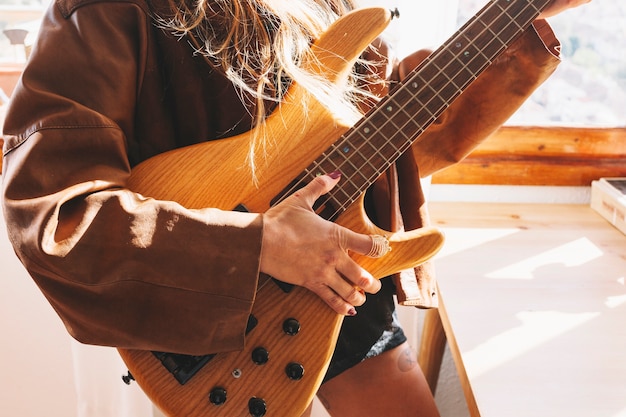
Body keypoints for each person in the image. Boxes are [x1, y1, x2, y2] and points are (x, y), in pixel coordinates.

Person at [1, 0, 590, 415]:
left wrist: (512, 28)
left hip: (340, 292)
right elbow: (55, 216)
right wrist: (258, 243)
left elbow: (376, 154)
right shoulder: (103, 12)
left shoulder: (320, 5)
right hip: (208, 322)